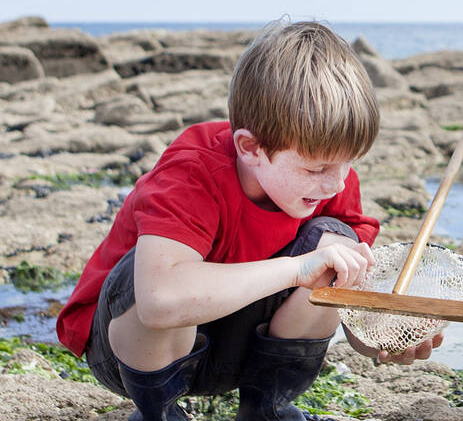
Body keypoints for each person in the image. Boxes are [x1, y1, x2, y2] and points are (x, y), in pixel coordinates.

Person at [55, 21, 442, 421]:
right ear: (250, 147)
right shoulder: (193, 172)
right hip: (130, 353)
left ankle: (265, 408)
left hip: (242, 349)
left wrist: (379, 337)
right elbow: (159, 302)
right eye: (317, 169)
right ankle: (162, 413)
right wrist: (298, 268)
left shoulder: (331, 181)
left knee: (337, 244)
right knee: (151, 273)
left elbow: (346, 302)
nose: (336, 183)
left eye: (349, 164)